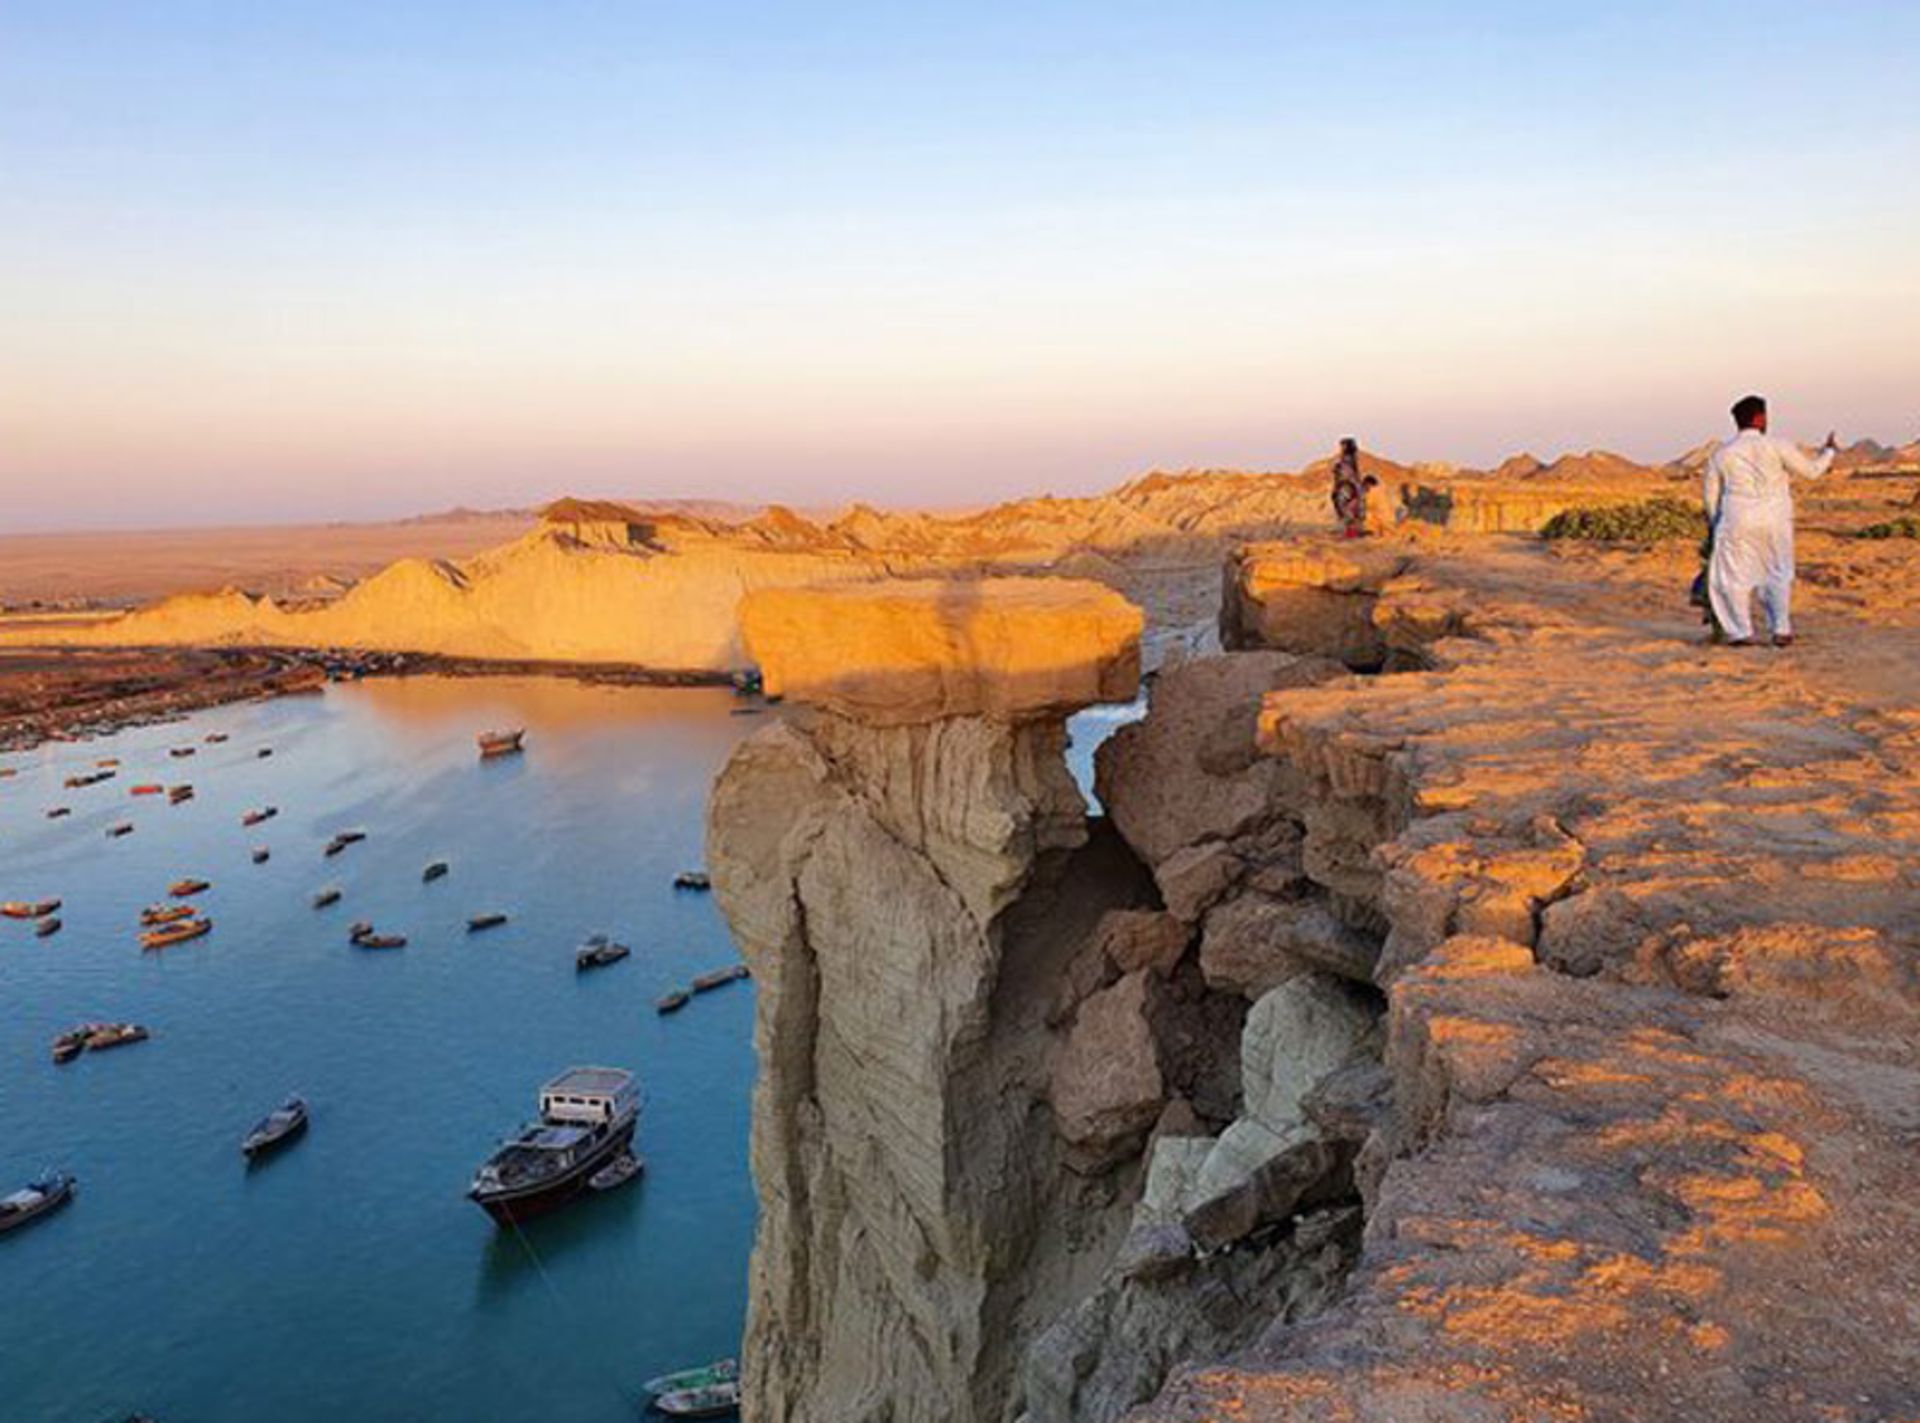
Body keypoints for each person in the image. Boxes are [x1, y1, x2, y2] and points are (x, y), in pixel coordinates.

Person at [1701, 395, 1838, 647]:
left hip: (1737, 519)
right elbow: (1812, 472)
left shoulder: (1721, 454)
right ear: (1759, 418)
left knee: (1733, 577)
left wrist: (1716, 524)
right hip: (1775, 520)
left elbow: (1710, 497)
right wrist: (1828, 452)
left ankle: (1740, 632)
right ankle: (1781, 630)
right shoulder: (1778, 446)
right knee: (1778, 572)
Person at [1330, 437, 1378, 538]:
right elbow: (1345, 475)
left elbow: (1349, 475)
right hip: (1346, 487)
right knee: (1350, 509)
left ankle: (1353, 531)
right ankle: (1352, 532)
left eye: (1343, 446)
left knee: (1353, 509)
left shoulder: (1348, 460)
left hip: (1348, 487)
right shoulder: (1346, 462)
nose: (1341, 449)